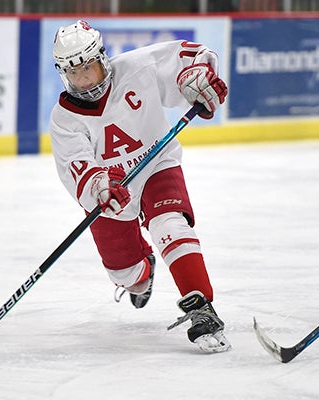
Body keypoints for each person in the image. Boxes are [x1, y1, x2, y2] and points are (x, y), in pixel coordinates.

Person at [48, 20, 231, 353]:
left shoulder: (138, 67)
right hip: (112, 192)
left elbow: (190, 58)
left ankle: (201, 308)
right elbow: (74, 167)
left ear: (101, 58)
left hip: (156, 163)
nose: (85, 78)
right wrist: (100, 187)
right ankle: (142, 268)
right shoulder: (64, 118)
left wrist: (198, 79)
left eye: (89, 67)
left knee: (170, 224)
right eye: (75, 73)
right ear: (64, 74)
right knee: (128, 276)